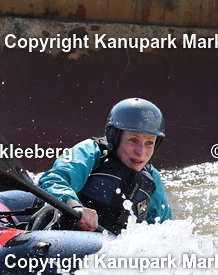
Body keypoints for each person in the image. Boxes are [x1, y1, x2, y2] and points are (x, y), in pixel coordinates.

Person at [36, 97, 172, 234]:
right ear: (114, 136)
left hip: (111, 247)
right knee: (50, 211)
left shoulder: (152, 177)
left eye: (149, 143)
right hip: (68, 233)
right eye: (133, 140)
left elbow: (164, 224)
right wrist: (74, 207)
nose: (141, 152)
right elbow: (53, 179)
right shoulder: (90, 151)